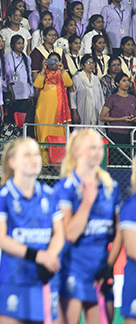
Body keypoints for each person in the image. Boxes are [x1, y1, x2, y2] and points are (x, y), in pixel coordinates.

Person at [0, 137, 64, 324]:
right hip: (13, 280)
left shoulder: (49, 194)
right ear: (12, 162)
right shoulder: (2, 196)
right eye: (27, 155)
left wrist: (50, 257)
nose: (34, 159)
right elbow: (0, 239)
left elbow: (59, 234)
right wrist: (39, 256)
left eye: (36, 154)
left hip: (44, 278)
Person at [54, 129, 119, 324]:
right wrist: (87, 202)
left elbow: (118, 234)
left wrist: (108, 266)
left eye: (99, 147)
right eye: (92, 148)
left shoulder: (110, 187)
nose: (98, 152)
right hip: (72, 269)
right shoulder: (65, 188)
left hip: (100, 269)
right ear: (76, 151)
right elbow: (69, 234)